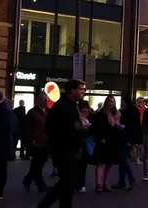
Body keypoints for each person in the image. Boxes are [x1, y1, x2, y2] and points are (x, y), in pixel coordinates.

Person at [37, 79, 87, 208]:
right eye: (81, 89)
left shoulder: (71, 105)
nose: (83, 91)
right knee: (68, 182)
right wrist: (79, 129)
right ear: (72, 90)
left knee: (68, 184)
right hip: (64, 151)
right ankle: (43, 205)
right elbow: (55, 129)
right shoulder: (63, 107)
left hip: (70, 150)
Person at [91, 95, 122, 193]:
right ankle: (98, 183)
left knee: (109, 163)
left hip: (112, 141)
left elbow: (118, 128)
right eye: (109, 101)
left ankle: (105, 183)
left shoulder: (116, 114)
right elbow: (95, 128)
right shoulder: (100, 114)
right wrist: (100, 138)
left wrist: (118, 124)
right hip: (103, 141)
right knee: (100, 162)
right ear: (106, 102)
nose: (111, 103)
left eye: (113, 102)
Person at [23, 92, 50, 192]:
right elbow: (27, 128)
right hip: (36, 143)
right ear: (38, 100)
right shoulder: (32, 112)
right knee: (37, 164)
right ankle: (40, 185)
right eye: (44, 100)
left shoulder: (49, 111)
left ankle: (28, 180)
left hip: (46, 142)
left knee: (37, 164)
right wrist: (30, 141)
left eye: (47, 100)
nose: (46, 102)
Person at [113, 96, 141, 190]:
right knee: (122, 160)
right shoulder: (131, 110)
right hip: (125, 138)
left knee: (123, 159)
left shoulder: (130, 112)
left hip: (127, 138)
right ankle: (121, 182)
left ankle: (131, 179)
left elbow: (133, 127)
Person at [75, 101, 93, 193]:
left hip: (86, 142)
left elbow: (93, 128)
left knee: (83, 164)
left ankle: (81, 183)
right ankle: (77, 183)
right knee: (77, 164)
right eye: (83, 108)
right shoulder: (76, 117)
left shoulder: (90, 117)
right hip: (77, 142)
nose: (85, 110)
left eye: (86, 107)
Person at [132, 97, 146, 164]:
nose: (141, 103)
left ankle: (138, 158)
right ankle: (135, 158)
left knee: (140, 144)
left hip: (142, 128)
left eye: (142, 101)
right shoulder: (134, 108)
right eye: (140, 101)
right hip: (135, 128)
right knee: (135, 144)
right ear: (137, 102)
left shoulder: (144, 109)